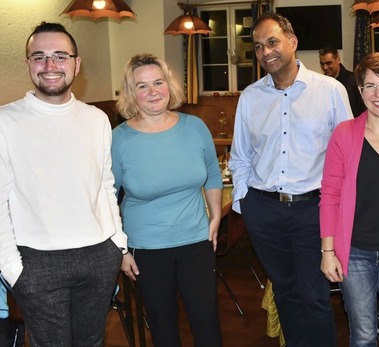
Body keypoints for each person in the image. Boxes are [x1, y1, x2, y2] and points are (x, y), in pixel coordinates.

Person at [229, 12, 352, 347]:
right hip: (264, 211)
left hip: (313, 210)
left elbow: (347, 156)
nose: (265, 51)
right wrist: (247, 206)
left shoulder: (330, 91)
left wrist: (338, 210)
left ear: (292, 42)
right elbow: (240, 157)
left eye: (272, 41)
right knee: (285, 293)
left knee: (314, 296)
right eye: (258, 46)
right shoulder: (250, 97)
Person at [0, 22, 126, 346]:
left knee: (92, 342)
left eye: (60, 56)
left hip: (99, 256)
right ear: (28, 63)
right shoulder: (5, 121)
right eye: (39, 57)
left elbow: (105, 186)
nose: (50, 66)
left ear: (76, 64)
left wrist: (118, 243)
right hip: (37, 263)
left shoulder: (97, 119)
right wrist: (13, 270)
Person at [112, 53, 223, 347]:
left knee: (207, 322)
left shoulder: (195, 127)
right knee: (162, 326)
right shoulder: (118, 139)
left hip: (196, 240)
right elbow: (106, 197)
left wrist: (216, 217)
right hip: (146, 249)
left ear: (169, 84)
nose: (153, 92)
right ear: (131, 93)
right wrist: (120, 249)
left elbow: (213, 175)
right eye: (142, 86)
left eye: (158, 82)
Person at [319, 52, 379, 346]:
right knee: (362, 335)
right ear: (360, 92)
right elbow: (330, 196)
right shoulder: (344, 134)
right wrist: (328, 251)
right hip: (356, 252)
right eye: (370, 86)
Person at [320, 46, 367, 117]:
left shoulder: (354, 80)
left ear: (338, 60)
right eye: (322, 64)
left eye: (328, 63)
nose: (325, 67)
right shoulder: (321, 84)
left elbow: (362, 109)